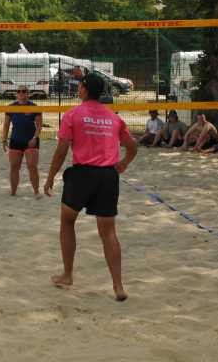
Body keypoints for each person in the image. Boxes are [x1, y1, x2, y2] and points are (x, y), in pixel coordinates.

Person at [43, 73, 137, 301]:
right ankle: (118, 286)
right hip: (108, 177)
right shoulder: (113, 117)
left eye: (80, 85)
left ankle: (67, 274)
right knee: (108, 232)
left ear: (84, 89)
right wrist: (123, 163)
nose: (78, 88)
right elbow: (132, 146)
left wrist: (50, 177)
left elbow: (61, 151)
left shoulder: (72, 115)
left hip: (82, 174)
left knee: (67, 221)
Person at [1, 85, 42, 197]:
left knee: (32, 166)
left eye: (24, 91)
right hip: (16, 140)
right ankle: (13, 192)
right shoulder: (11, 107)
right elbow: (6, 125)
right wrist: (4, 140)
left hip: (31, 141)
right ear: (16, 94)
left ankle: (36, 192)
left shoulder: (34, 107)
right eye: (19, 91)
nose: (21, 93)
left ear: (28, 93)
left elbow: (39, 126)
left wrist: (35, 138)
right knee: (14, 166)